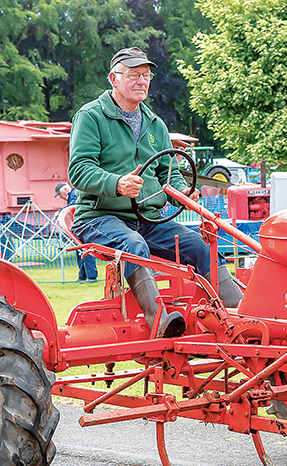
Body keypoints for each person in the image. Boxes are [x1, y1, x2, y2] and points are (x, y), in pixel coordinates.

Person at [67, 47, 242, 338]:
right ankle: (160, 320)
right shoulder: (91, 117)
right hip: (99, 217)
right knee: (133, 244)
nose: (141, 82)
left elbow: (167, 173)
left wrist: (181, 192)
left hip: (148, 218)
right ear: (113, 78)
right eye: (134, 75)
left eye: (146, 76)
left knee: (200, 247)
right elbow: (79, 171)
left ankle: (237, 314)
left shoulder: (155, 124)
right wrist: (117, 184)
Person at [55, 182, 98, 283]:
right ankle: (82, 276)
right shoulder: (74, 194)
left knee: (85, 250)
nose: (61, 198)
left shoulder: (74, 194)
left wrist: (61, 211)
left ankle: (91, 276)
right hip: (80, 228)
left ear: (65, 191)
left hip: (83, 226)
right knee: (80, 251)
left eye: (60, 195)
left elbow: (74, 205)